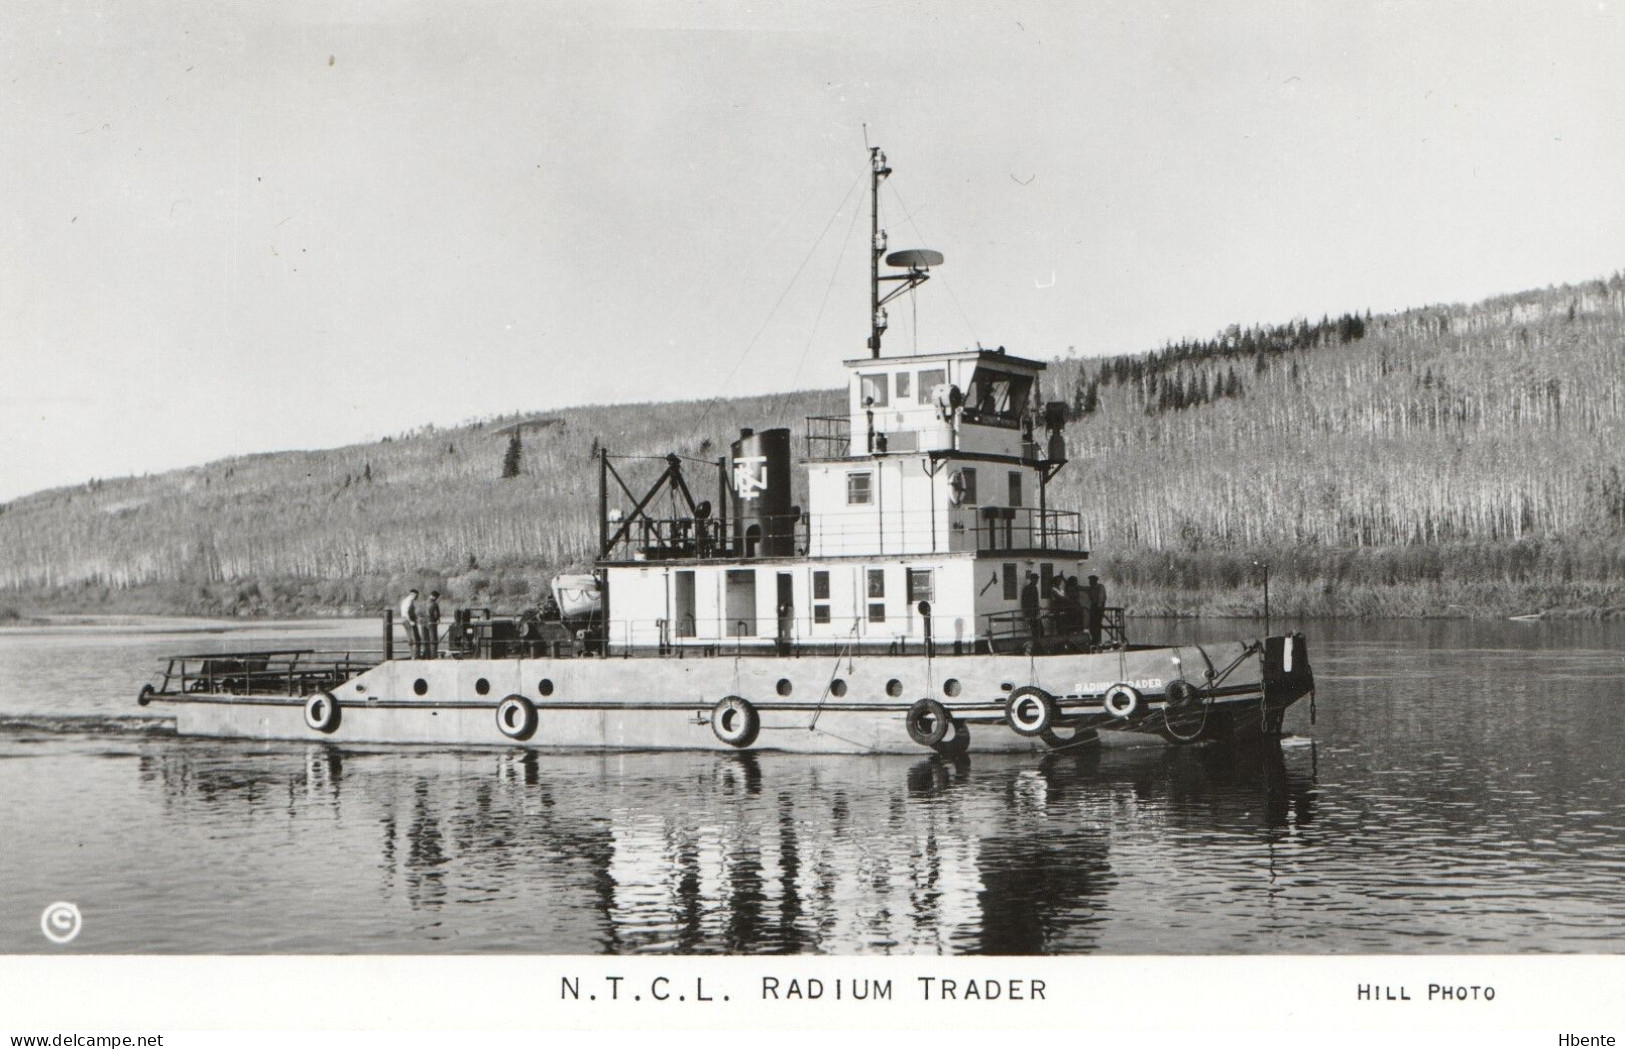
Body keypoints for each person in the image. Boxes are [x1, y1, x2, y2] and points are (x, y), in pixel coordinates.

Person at [1020, 571, 1043, 639]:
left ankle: (1038, 641)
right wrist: (1027, 612)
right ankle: (1036, 642)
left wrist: (1038, 607)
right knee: (1035, 629)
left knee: (1039, 629)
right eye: (1035, 579)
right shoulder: (1027, 589)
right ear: (1031, 579)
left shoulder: (1035, 588)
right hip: (1031, 612)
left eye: (1037, 579)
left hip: (1035, 611)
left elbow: (1036, 600)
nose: (1036, 580)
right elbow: (1025, 601)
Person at [1086, 574, 1107, 647]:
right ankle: (1095, 640)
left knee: (1097, 624)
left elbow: (1101, 598)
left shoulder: (1100, 587)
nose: (1089, 582)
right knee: (1092, 625)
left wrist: (1099, 607)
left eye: (1091, 581)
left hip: (1098, 607)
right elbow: (1081, 588)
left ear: (1094, 581)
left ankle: (1098, 641)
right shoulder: (1090, 588)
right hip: (1093, 606)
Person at [399, 589, 421, 659]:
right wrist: (410, 621)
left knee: (411, 638)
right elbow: (406, 612)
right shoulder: (409, 601)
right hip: (408, 621)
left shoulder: (406, 600)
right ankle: (415, 656)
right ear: (413, 595)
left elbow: (410, 612)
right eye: (417, 596)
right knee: (415, 638)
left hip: (405, 620)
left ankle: (414, 655)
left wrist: (417, 618)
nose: (417, 597)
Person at [425, 591, 442, 659]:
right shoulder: (434, 604)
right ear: (435, 597)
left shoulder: (426, 603)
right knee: (433, 638)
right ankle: (433, 655)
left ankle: (427, 655)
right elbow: (436, 615)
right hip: (432, 622)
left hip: (425, 622)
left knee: (426, 639)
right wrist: (438, 619)